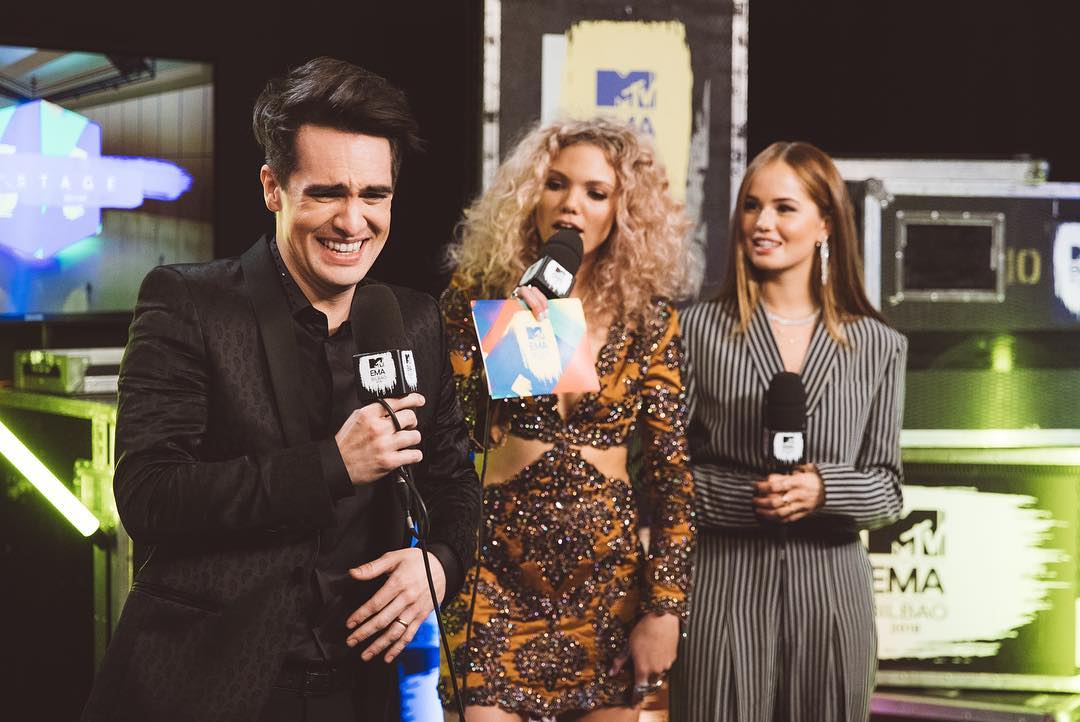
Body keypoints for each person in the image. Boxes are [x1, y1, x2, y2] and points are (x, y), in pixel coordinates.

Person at [81, 57, 481, 722]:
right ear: (273, 187)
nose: (353, 221)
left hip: (359, 689)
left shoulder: (411, 318)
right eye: (326, 193)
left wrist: (439, 563)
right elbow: (148, 494)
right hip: (207, 684)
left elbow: (453, 480)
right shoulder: (190, 302)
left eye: (374, 195)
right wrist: (331, 465)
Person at [438, 117, 696, 721]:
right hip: (492, 580)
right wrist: (512, 325)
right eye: (555, 184)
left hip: (609, 592)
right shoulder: (474, 294)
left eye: (595, 192)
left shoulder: (648, 318)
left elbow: (672, 478)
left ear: (622, 212)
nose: (570, 204)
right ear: (531, 196)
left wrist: (665, 607)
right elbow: (457, 434)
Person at [670, 141, 907, 722]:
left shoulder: (879, 346)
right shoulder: (696, 331)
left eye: (784, 208)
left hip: (832, 597)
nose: (762, 222)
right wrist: (751, 499)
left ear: (825, 223)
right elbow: (663, 472)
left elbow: (888, 489)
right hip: (723, 587)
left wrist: (823, 490)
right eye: (752, 206)